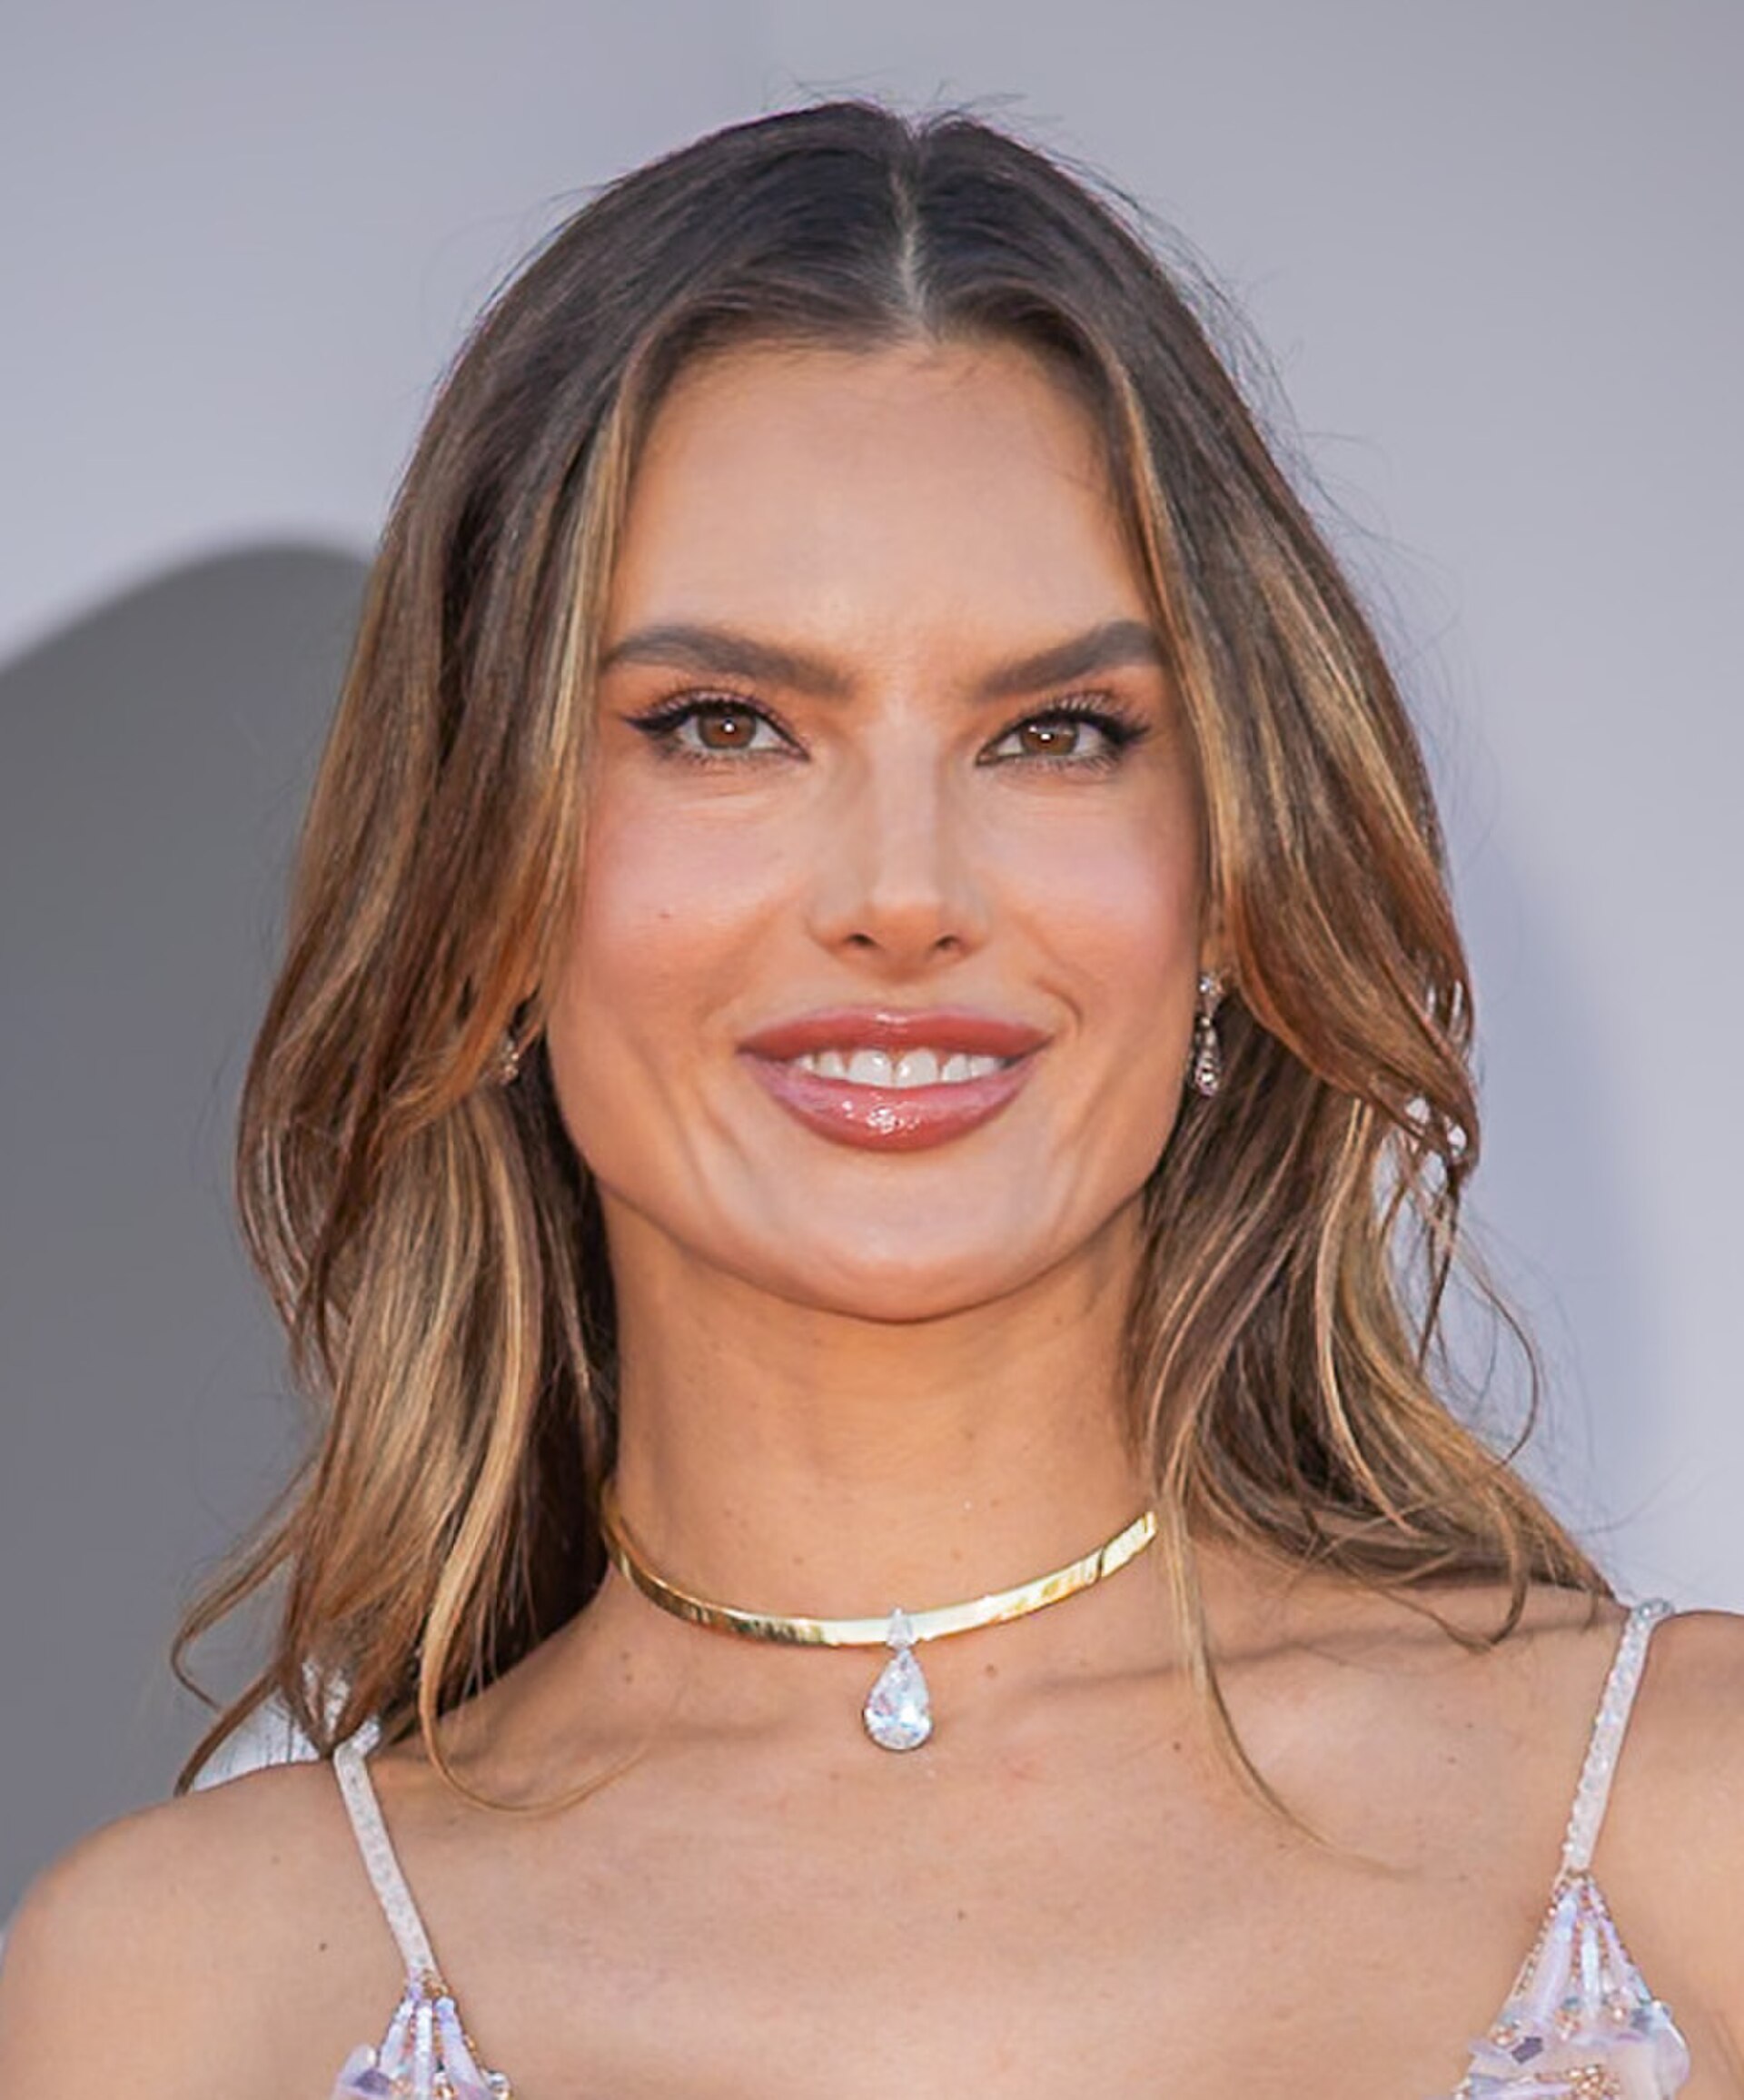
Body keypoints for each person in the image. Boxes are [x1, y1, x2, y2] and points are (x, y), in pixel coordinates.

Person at [1, 98, 1739, 2099]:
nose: (905, 894)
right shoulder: (196, 1994)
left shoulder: (1685, 1830)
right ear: (487, 895)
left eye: (1058, 732)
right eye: (724, 728)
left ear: (1231, 892)